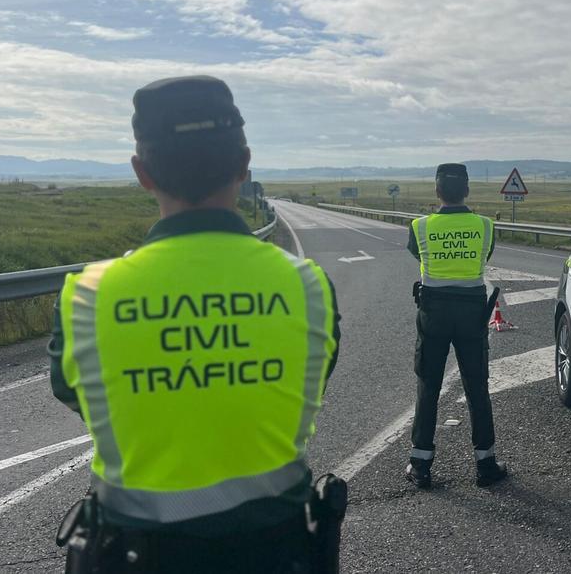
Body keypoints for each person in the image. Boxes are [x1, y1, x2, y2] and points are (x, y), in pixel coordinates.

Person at [47, 75, 342, 573]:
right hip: (278, 553)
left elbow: (77, 393)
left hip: (136, 554)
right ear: (244, 165)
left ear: (142, 172)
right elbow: (313, 373)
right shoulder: (307, 286)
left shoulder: (87, 298)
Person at [405, 163, 508, 488]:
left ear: (437, 192)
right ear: (466, 190)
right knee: (477, 387)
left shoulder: (420, 226)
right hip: (472, 314)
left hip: (433, 312)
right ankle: (485, 464)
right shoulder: (485, 226)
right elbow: (485, 255)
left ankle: (420, 465)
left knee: (429, 386)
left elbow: (415, 254)